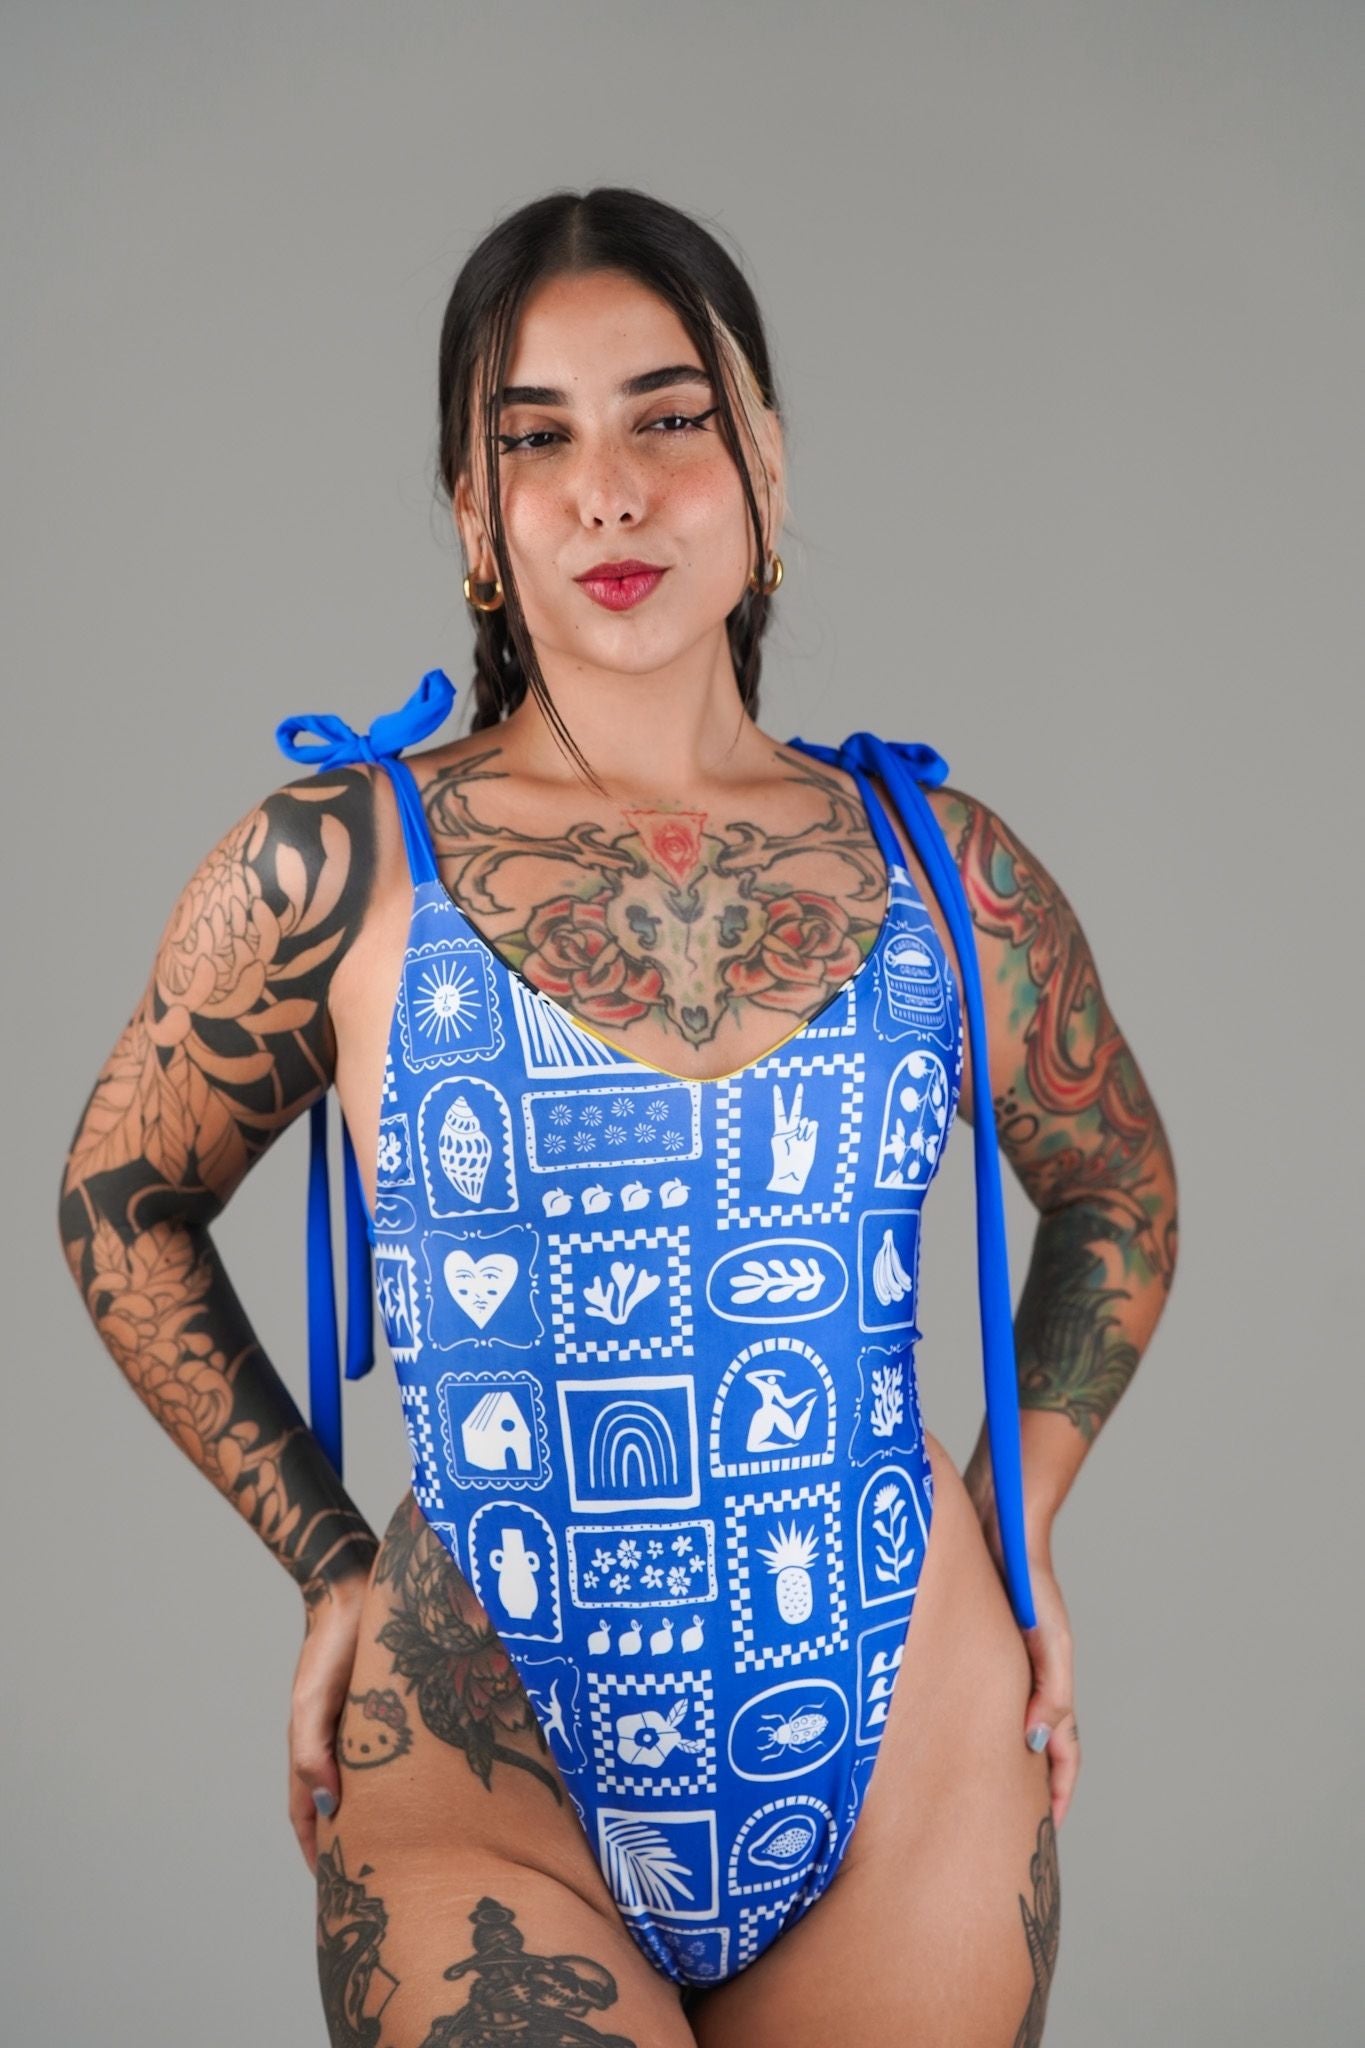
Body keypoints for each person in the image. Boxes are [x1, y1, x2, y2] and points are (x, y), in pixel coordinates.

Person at [58, 186, 1178, 2047]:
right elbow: (118, 1201)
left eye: (670, 418)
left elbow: (1117, 1186)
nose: (608, 491)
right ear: (471, 513)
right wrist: (326, 1560)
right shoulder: (339, 866)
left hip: (911, 1751)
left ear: (765, 463)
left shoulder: (943, 870)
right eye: (535, 439)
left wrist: (1018, 1523)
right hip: (482, 1760)